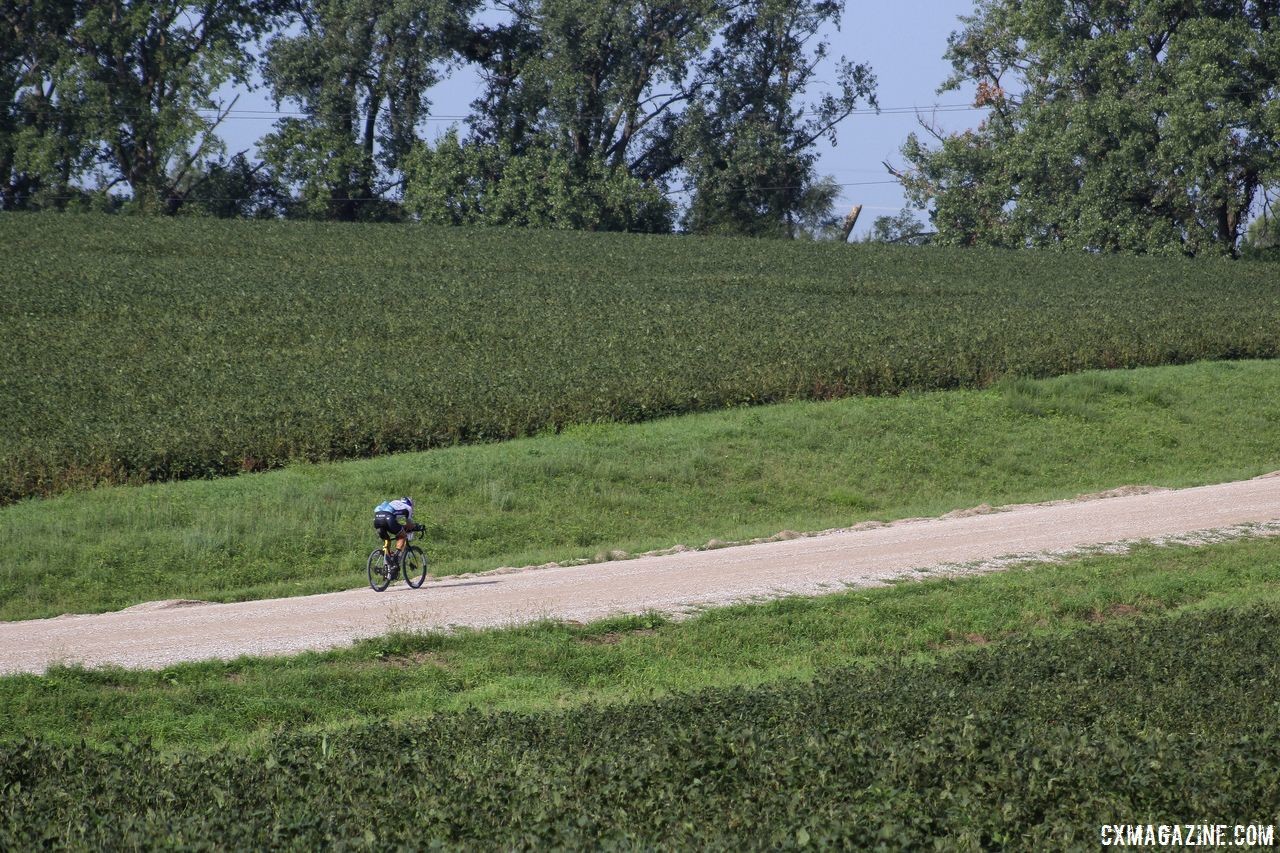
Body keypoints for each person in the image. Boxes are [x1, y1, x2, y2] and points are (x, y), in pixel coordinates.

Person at [373, 496, 421, 564]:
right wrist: (417, 527)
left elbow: (394, 523)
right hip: (388, 518)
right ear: (410, 503)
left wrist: (402, 527)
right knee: (403, 536)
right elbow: (409, 525)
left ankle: (387, 562)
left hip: (377, 519)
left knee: (387, 540)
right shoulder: (408, 508)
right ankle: (396, 557)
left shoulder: (394, 502)